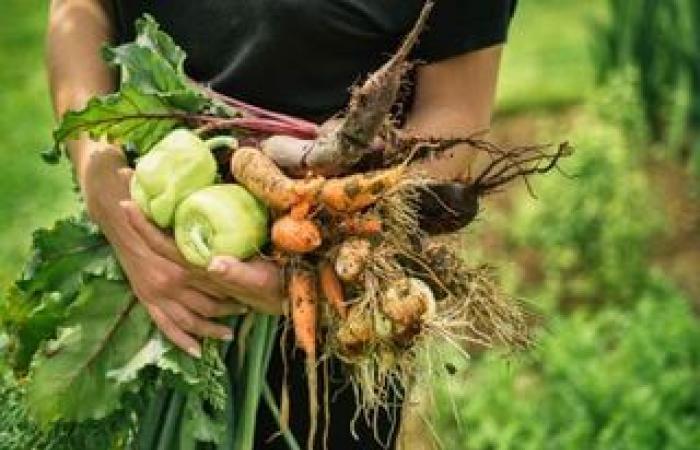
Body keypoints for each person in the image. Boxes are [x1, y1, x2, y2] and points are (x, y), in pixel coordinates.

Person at [46, 1, 517, 448]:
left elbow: (455, 110)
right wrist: (99, 172)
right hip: (145, 253)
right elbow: (81, 10)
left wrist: (319, 254)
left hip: (342, 288)